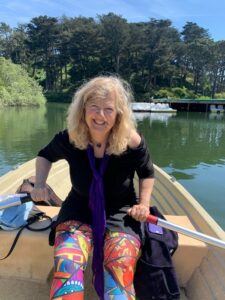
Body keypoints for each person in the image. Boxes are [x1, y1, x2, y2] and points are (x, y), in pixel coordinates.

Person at [31, 76, 155, 300]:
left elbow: (147, 173)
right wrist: (39, 183)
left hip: (121, 211)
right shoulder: (70, 138)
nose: (100, 116)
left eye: (108, 109)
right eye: (94, 107)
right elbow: (44, 155)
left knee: (120, 265)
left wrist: (143, 205)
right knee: (67, 262)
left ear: (118, 113)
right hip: (78, 206)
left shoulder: (131, 141)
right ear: (83, 108)